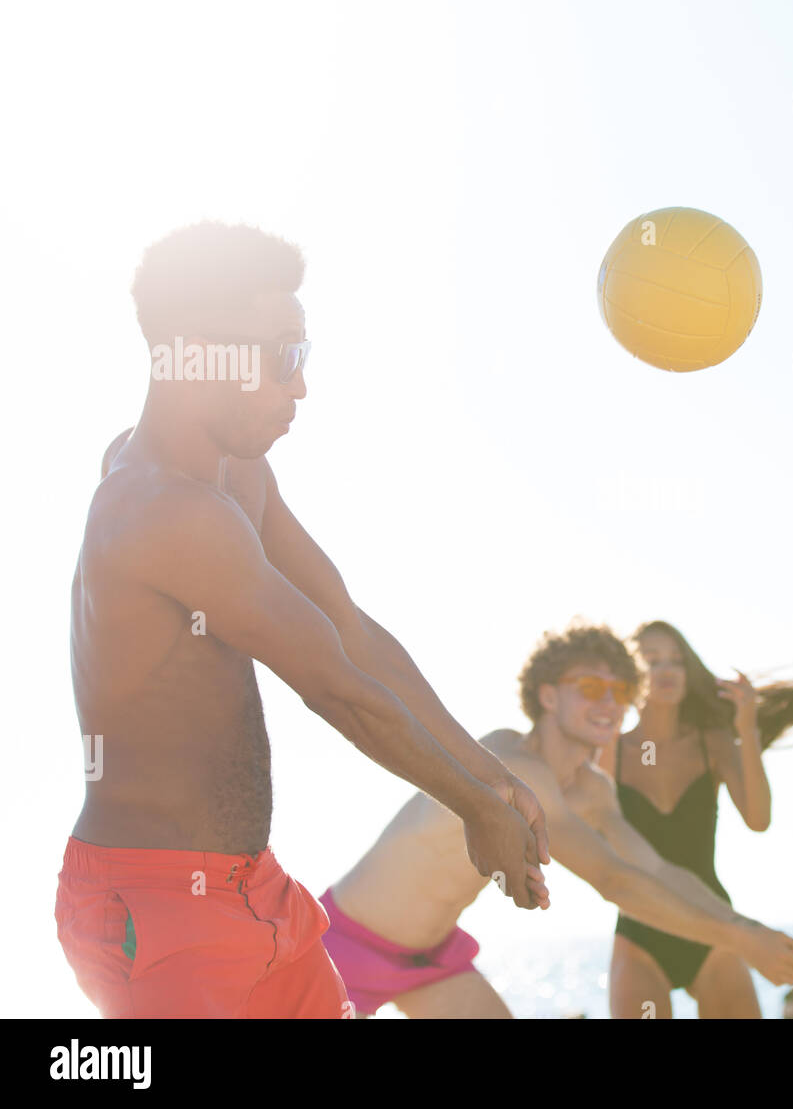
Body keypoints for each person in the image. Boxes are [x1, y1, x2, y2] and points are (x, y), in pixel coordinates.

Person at [56, 222, 549, 1019]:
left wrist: (489, 777)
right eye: (284, 355)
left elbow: (349, 630)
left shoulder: (239, 475)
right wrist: (475, 808)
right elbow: (335, 688)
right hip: (154, 911)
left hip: (256, 890)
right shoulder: (161, 512)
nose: (301, 386)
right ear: (194, 352)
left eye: (303, 355)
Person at [319, 621, 793, 1018]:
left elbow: (654, 868)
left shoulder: (592, 790)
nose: (608, 701)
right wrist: (740, 940)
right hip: (342, 949)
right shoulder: (511, 759)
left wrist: (745, 926)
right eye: (590, 686)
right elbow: (613, 879)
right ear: (548, 695)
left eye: (620, 690)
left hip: (433, 962)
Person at [598, 620, 793, 1018]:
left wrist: (746, 728)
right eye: (652, 660)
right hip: (641, 929)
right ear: (630, 675)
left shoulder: (711, 742)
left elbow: (758, 819)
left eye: (676, 661)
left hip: (714, 922)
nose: (666, 671)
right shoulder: (613, 750)